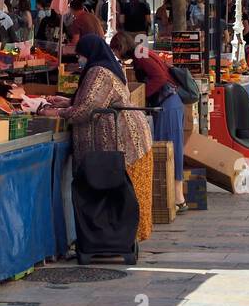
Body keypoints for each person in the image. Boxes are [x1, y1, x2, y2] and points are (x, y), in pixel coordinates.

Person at [40, 34, 154, 241]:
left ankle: (122, 240)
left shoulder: (98, 71)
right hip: (129, 138)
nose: (79, 60)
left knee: (124, 197)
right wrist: (67, 102)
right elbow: (95, 100)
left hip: (125, 141)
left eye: (80, 55)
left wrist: (56, 113)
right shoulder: (106, 66)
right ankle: (121, 241)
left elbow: (87, 109)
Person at [112, 31, 186, 211]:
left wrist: (140, 96)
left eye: (115, 50)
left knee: (169, 150)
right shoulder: (142, 53)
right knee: (171, 149)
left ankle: (177, 198)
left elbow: (159, 78)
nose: (115, 55)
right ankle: (176, 197)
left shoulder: (140, 57)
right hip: (170, 104)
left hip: (168, 104)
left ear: (122, 47)